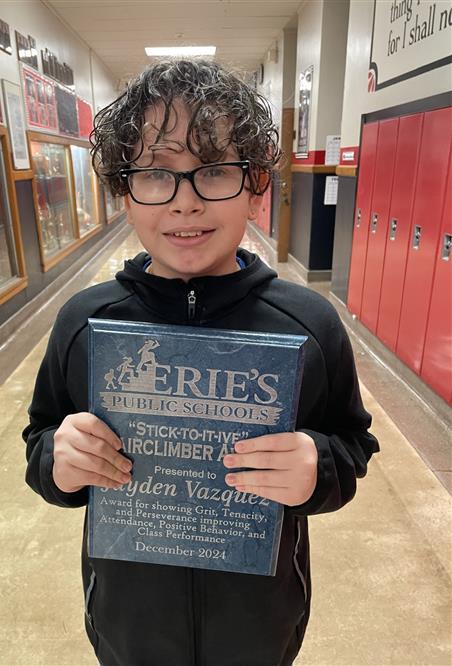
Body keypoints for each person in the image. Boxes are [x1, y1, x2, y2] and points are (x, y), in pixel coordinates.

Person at [23, 59, 379, 666]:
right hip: (128, 625)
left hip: (260, 627)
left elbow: (352, 445)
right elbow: (40, 442)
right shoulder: (85, 324)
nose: (185, 204)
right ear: (123, 190)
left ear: (256, 183)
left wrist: (317, 466)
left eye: (214, 171)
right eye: (157, 175)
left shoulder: (309, 326)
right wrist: (61, 460)